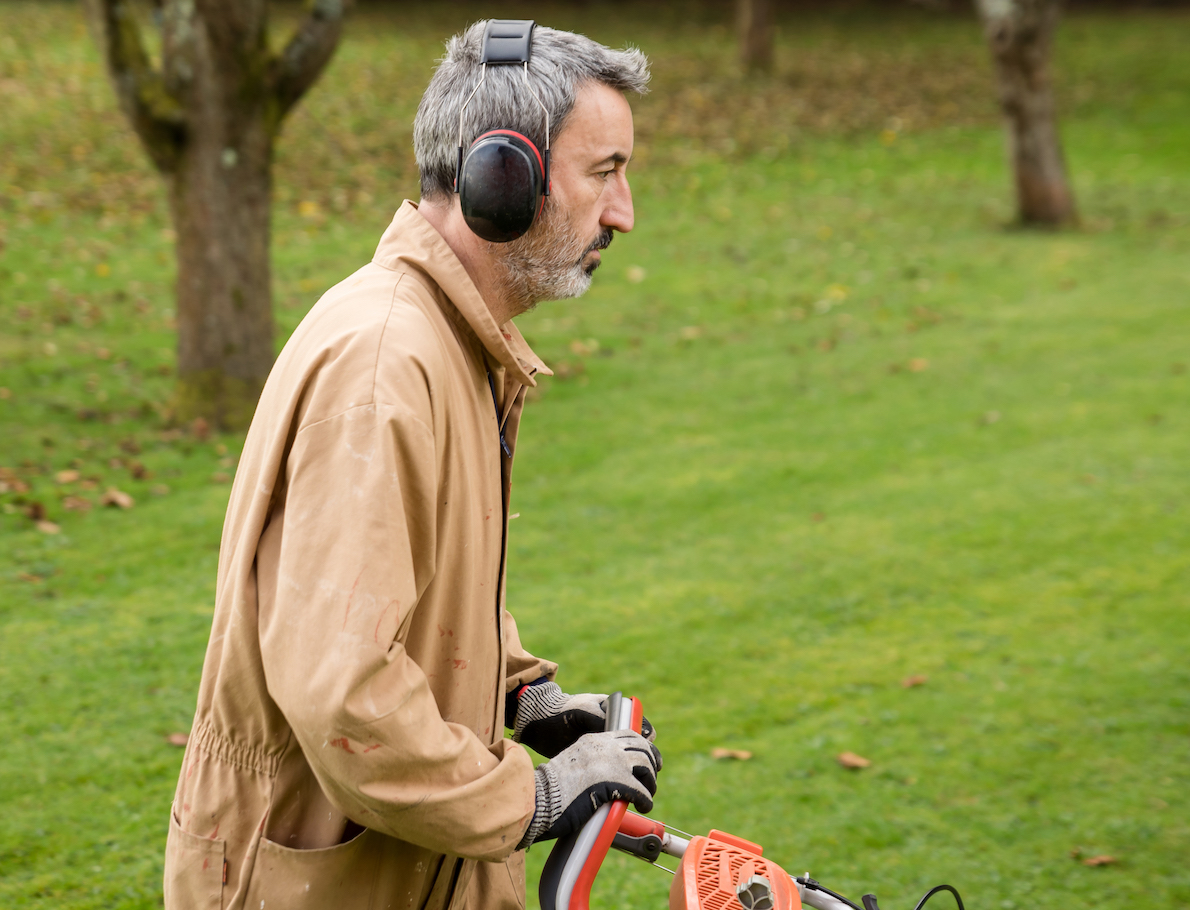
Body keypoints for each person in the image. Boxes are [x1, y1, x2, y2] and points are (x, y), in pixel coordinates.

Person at [163, 18, 661, 910]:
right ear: (501, 178)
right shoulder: (387, 364)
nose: (622, 213)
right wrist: (537, 797)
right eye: (606, 173)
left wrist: (524, 697)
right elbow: (346, 695)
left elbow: (413, 586)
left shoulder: (452, 340)